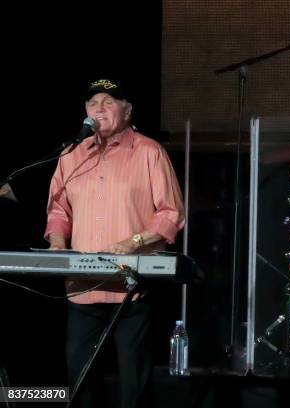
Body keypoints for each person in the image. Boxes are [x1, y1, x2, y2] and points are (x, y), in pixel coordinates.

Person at [45, 78, 185, 408]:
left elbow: (171, 212)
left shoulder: (148, 150)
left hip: (131, 286)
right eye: (93, 104)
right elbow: (58, 208)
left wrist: (134, 241)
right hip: (83, 285)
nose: (100, 109)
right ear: (85, 112)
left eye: (109, 102)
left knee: (133, 383)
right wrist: (56, 242)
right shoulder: (71, 155)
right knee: (79, 380)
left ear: (127, 109)